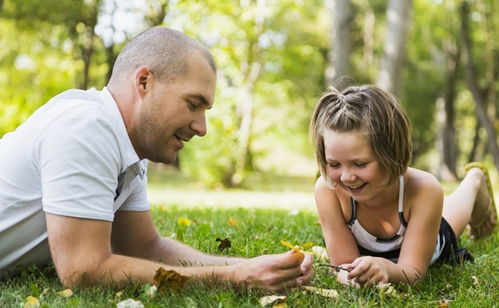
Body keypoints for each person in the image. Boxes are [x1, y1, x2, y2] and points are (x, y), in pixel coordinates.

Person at [0, 26, 314, 290]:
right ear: (144, 81)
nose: (201, 128)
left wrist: (255, 267)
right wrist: (232, 278)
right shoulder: (87, 127)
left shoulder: (128, 152)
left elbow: (145, 247)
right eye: (193, 104)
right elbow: (83, 270)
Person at [310, 85, 497, 286]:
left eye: (360, 164)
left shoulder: (424, 189)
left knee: (451, 221)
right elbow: (343, 265)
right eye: (334, 164)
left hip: (427, 241)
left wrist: (386, 270)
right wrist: (355, 278)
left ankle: (474, 181)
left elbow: (413, 272)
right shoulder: (328, 190)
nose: (346, 177)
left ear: (391, 152)